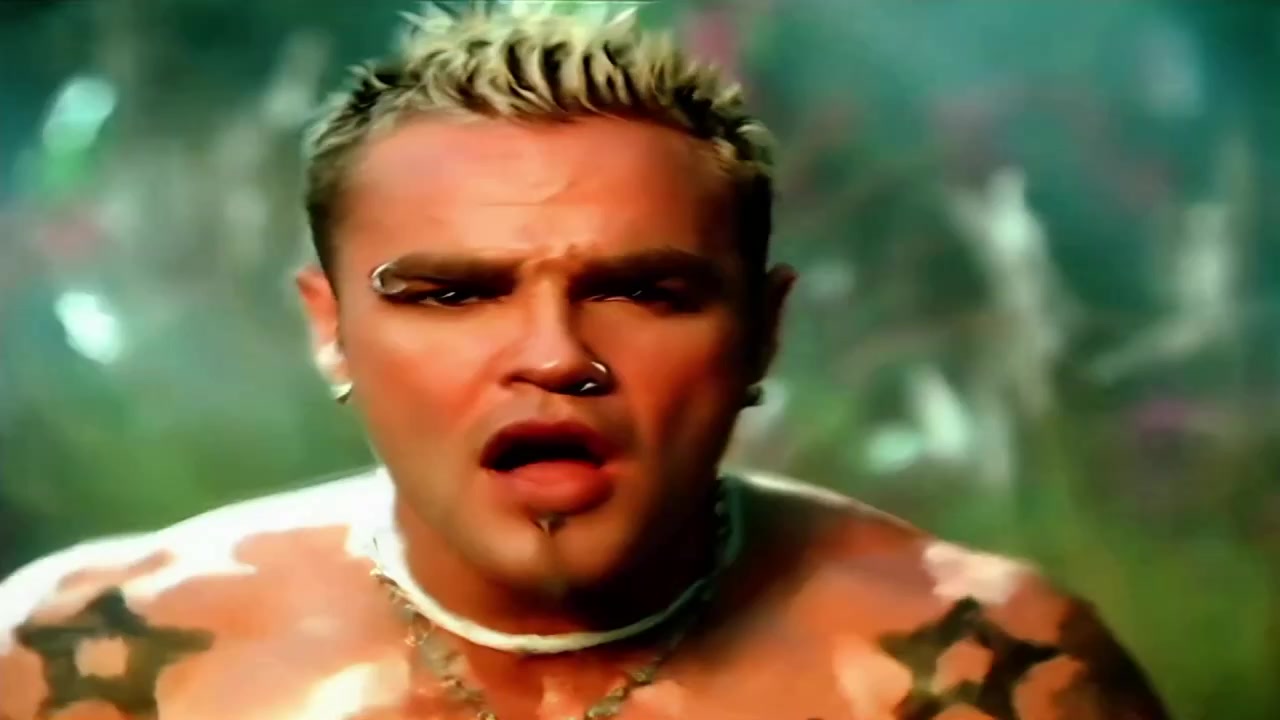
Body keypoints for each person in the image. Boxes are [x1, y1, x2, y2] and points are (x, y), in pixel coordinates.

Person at [0, 4, 1170, 719]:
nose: (555, 357)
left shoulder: (982, 670)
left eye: (643, 292)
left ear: (760, 332)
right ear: (329, 326)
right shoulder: (83, 661)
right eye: (454, 294)